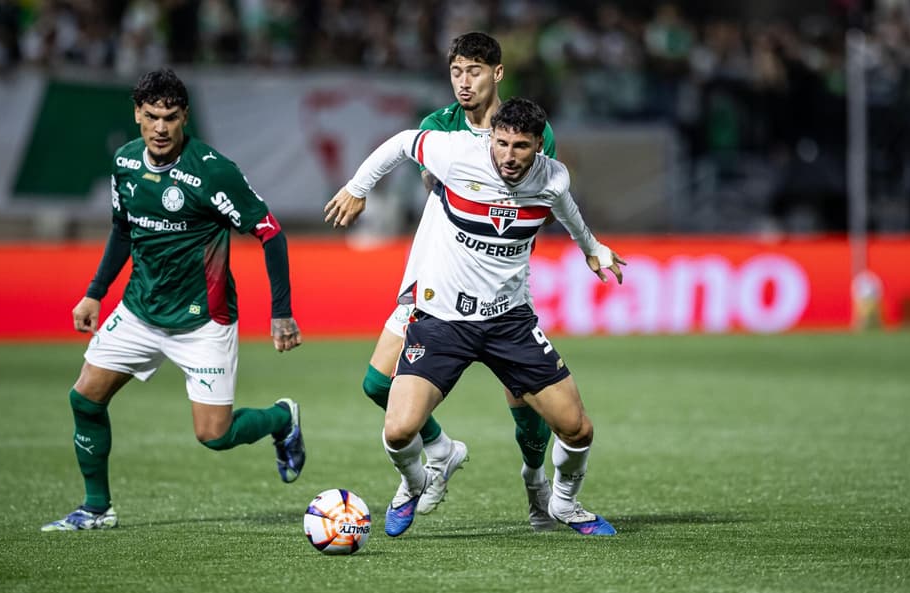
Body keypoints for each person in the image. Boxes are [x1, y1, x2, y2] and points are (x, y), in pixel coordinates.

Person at [324, 97, 625, 537]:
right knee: (399, 429)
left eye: (520, 146)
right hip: (442, 320)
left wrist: (592, 248)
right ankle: (415, 481)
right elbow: (403, 142)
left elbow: (567, 211)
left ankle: (563, 502)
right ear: (491, 139)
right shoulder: (456, 154)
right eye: (501, 143)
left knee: (578, 430)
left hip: (509, 323)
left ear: (538, 146)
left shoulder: (552, 177)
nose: (508, 155)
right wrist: (358, 187)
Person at [41, 68, 306, 531]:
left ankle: (281, 419)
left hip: (203, 320)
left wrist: (281, 313)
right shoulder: (125, 162)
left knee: (214, 435)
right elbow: (123, 230)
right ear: (137, 115)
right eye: (151, 116)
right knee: (84, 398)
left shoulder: (212, 172)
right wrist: (94, 293)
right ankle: (96, 508)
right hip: (139, 311)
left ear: (185, 117)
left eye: (170, 117)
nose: (160, 128)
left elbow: (271, 233)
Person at [356, 31, 560, 530]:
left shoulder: (531, 129)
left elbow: (541, 198)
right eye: (456, 72)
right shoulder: (437, 125)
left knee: (523, 399)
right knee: (378, 382)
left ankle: (536, 480)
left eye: (474, 71)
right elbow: (436, 182)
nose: (463, 82)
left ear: (497, 73)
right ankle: (440, 450)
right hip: (434, 274)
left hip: (502, 283)